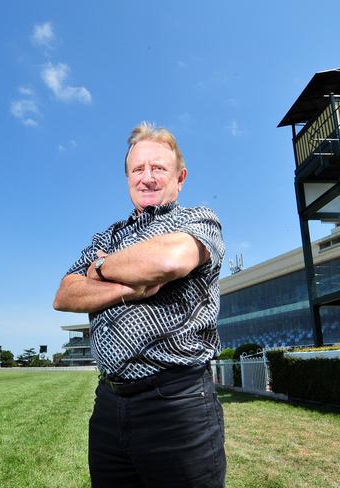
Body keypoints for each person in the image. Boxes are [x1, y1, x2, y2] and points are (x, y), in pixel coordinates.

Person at [53, 122, 226, 488]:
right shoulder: (107, 236)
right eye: (138, 169)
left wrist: (98, 268)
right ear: (128, 177)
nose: (147, 178)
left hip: (176, 404)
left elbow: (168, 261)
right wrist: (129, 289)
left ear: (180, 178)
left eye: (158, 168)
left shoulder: (196, 219)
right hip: (109, 404)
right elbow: (65, 293)